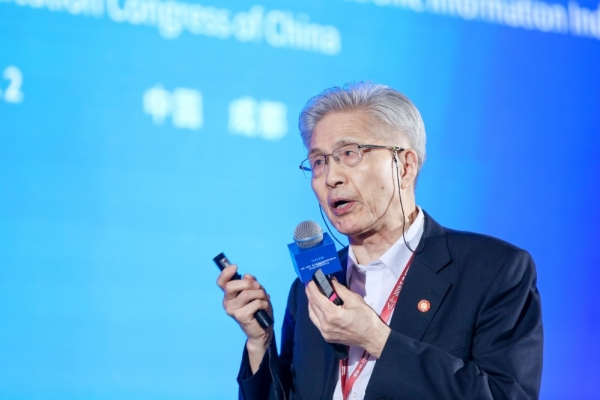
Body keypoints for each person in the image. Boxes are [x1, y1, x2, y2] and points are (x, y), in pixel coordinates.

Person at [217, 82, 543, 399]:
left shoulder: (493, 270)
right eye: (319, 162)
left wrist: (378, 340)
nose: (331, 177)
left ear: (405, 166)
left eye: (349, 153)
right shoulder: (312, 289)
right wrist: (260, 341)